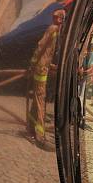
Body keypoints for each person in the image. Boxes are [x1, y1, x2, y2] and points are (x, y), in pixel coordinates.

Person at [27, 8, 66, 147]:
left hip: (43, 67)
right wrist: (33, 63)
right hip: (41, 69)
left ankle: (30, 129)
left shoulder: (56, 30)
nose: (57, 20)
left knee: (37, 99)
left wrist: (52, 65)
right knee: (41, 100)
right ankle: (40, 136)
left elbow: (47, 52)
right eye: (58, 17)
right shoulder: (53, 29)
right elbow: (41, 46)